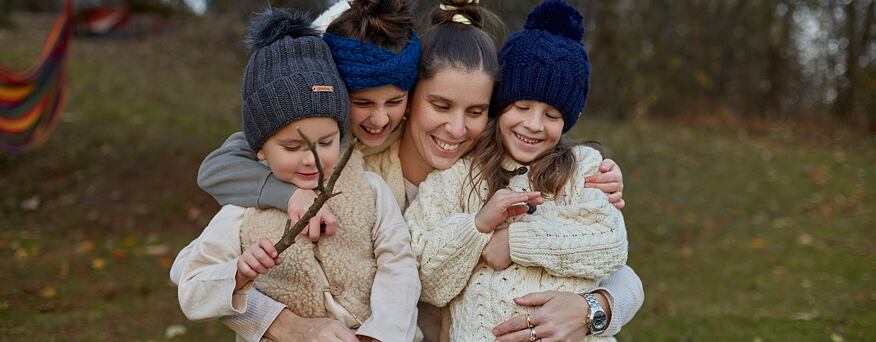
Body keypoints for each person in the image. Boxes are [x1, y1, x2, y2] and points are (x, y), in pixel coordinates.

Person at [171, 0, 642, 341]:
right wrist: (287, 324)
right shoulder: (338, 166)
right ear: (412, 94)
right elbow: (236, 249)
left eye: (476, 111)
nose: (456, 128)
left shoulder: (502, 171)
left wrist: (593, 308)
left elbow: (621, 272)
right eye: (439, 105)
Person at [174, 9, 420, 342]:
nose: (312, 159)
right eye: (293, 146)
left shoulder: (370, 189)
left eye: (327, 142)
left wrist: (383, 334)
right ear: (259, 148)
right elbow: (191, 281)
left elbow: (399, 264)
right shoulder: (243, 211)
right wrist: (238, 274)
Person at [406, 1, 629, 341]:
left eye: (552, 116)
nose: (534, 124)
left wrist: (515, 241)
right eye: (522, 107)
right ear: (500, 105)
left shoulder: (581, 168)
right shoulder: (453, 180)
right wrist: (477, 227)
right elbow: (429, 285)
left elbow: (610, 246)